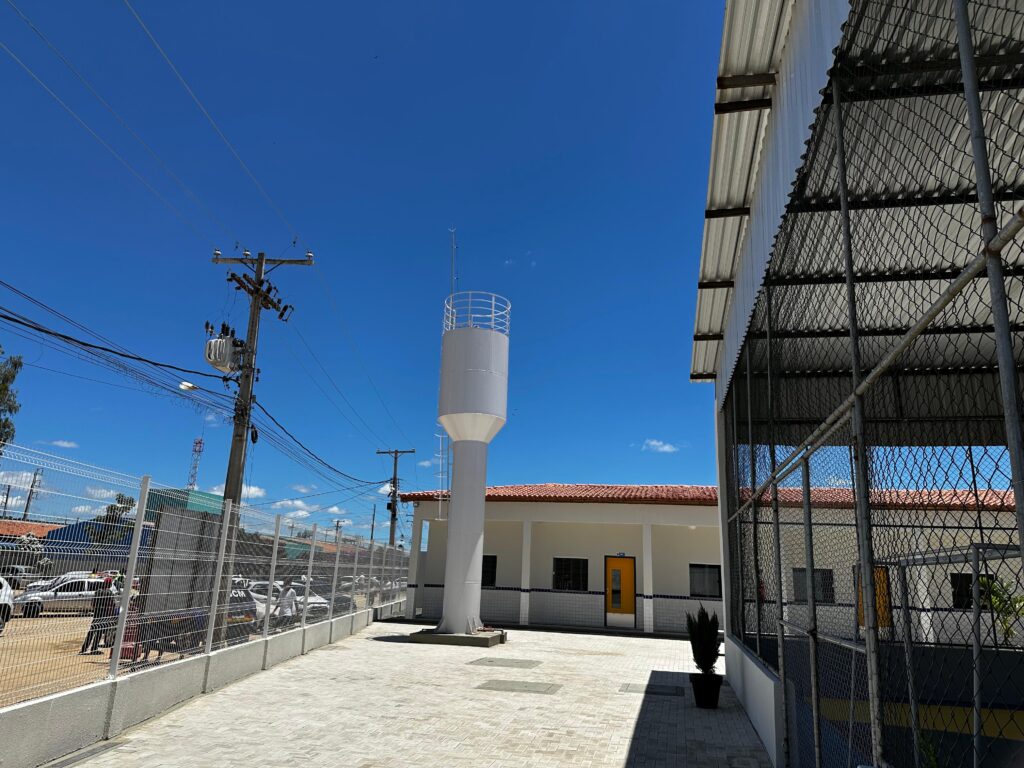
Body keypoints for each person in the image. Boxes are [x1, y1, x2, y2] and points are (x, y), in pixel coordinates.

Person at [80, 578, 117, 656]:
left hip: (97, 613)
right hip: (105, 614)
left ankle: (84, 648)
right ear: (110, 584)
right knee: (99, 632)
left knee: (92, 631)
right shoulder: (109, 593)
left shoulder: (97, 592)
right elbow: (113, 604)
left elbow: (93, 603)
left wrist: (96, 609)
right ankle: (94, 648)